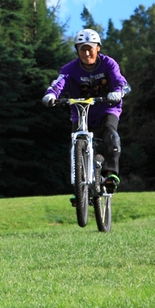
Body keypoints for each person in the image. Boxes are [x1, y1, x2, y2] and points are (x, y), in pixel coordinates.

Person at [42, 28, 130, 193]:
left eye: (90, 48)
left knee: (110, 135)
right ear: (77, 50)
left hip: (107, 109)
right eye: (82, 49)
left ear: (98, 48)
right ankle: (80, 189)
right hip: (81, 112)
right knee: (75, 146)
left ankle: (111, 173)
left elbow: (121, 82)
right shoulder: (69, 69)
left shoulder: (108, 64)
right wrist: (51, 94)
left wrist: (118, 92)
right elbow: (58, 84)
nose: (87, 52)